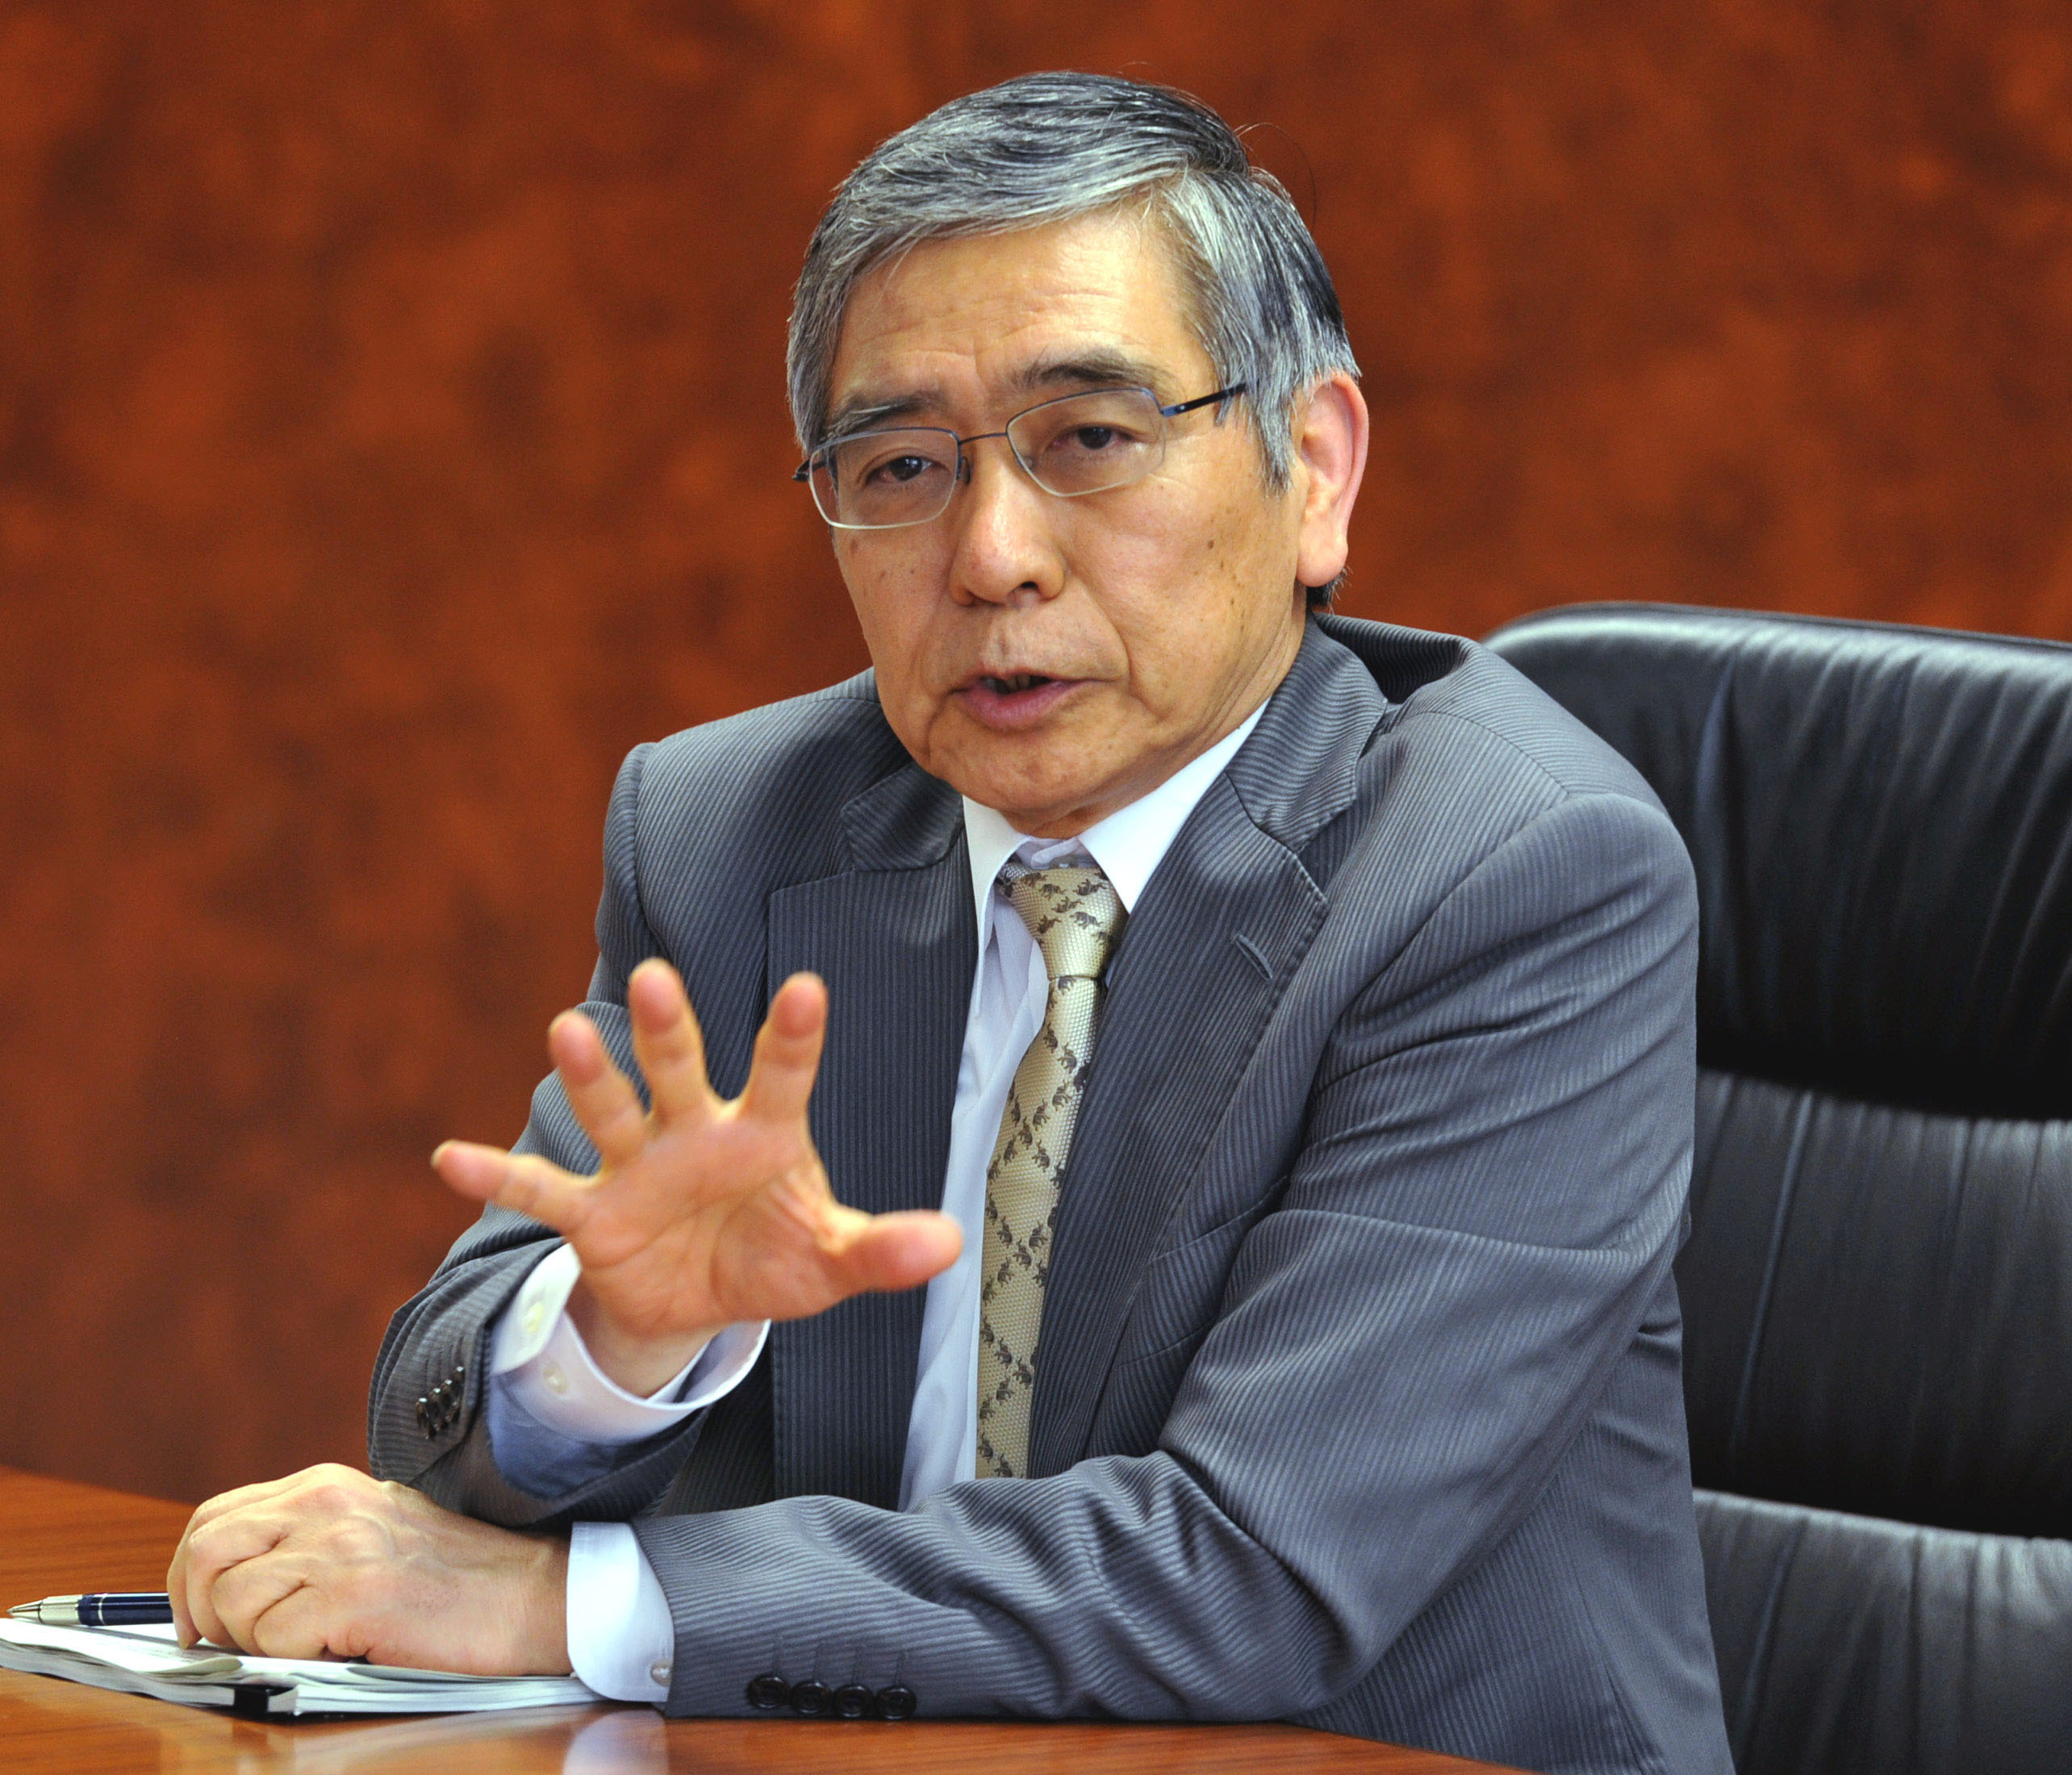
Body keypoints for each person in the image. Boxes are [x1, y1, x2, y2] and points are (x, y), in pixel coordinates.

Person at [166, 73, 1734, 1772]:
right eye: (903, 465)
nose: (991, 556)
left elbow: (1245, 1574)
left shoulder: (1511, 874)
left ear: (1317, 471)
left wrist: (573, 1605)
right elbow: (442, 1429)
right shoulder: (734, 830)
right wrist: (623, 1346)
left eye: (1092, 440)